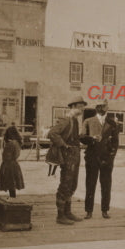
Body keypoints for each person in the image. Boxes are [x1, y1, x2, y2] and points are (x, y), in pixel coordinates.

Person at [47, 96, 87, 225]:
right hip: (68, 156)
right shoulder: (66, 120)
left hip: (74, 155)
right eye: (81, 106)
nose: (82, 109)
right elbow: (52, 133)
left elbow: (73, 137)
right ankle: (60, 215)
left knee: (72, 184)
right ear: (74, 107)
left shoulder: (74, 121)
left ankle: (68, 212)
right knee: (65, 183)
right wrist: (64, 145)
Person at [81, 99, 119, 220]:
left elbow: (115, 142)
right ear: (95, 108)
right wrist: (92, 138)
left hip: (107, 160)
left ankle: (105, 210)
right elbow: (82, 137)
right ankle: (89, 211)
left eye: (103, 106)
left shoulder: (112, 123)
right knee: (90, 184)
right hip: (92, 158)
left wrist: (111, 157)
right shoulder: (88, 121)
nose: (101, 108)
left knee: (106, 185)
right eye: (99, 106)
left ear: (107, 107)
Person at [0, 122, 25, 198]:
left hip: (9, 165)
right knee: (12, 184)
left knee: (11, 183)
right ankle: (13, 197)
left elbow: (6, 156)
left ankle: (13, 199)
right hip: (14, 164)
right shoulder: (17, 143)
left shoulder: (10, 144)